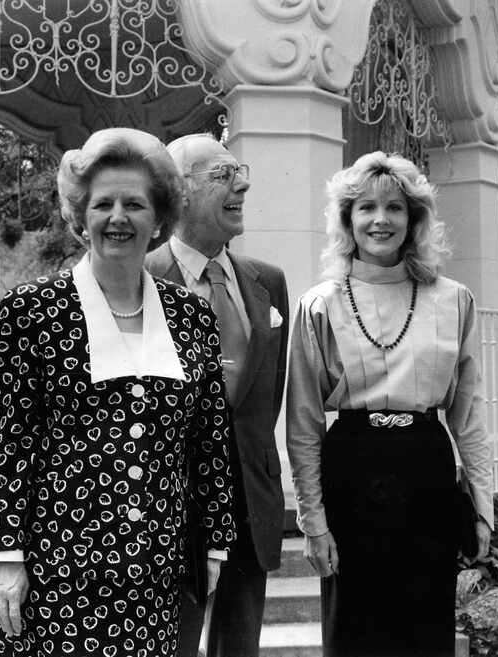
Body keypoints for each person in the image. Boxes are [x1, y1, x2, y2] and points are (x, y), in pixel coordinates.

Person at [0, 127, 236, 657]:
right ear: (81, 216)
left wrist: (215, 540)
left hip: (157, 570)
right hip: (57, 569)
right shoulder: (31, 311)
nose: (118, 217)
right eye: (103, 204)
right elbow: (11, 442)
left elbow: (210, 440)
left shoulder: (192, 317)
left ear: (159, 219)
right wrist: (5, 554)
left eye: (134, 204)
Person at [286, 151, 493, 657]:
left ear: (414, 219)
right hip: (351, 472)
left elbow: (468, 414)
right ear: (346, 219)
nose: (380, 220)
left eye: (395, 208)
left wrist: (483, 507)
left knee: (424, 631)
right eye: (366, 208)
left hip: (425, 471)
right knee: (354, 631)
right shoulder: (320, 304)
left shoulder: (454, 300)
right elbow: (304, 423)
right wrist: (314, 523)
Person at [146, 133, 289, 657]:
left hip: (251, 504)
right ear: (178, 190)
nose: (243, 184)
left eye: (241, 172)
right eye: (223, 174)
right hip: (171, 508)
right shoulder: (139, 276)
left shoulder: (267, 281)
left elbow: (263, 399)